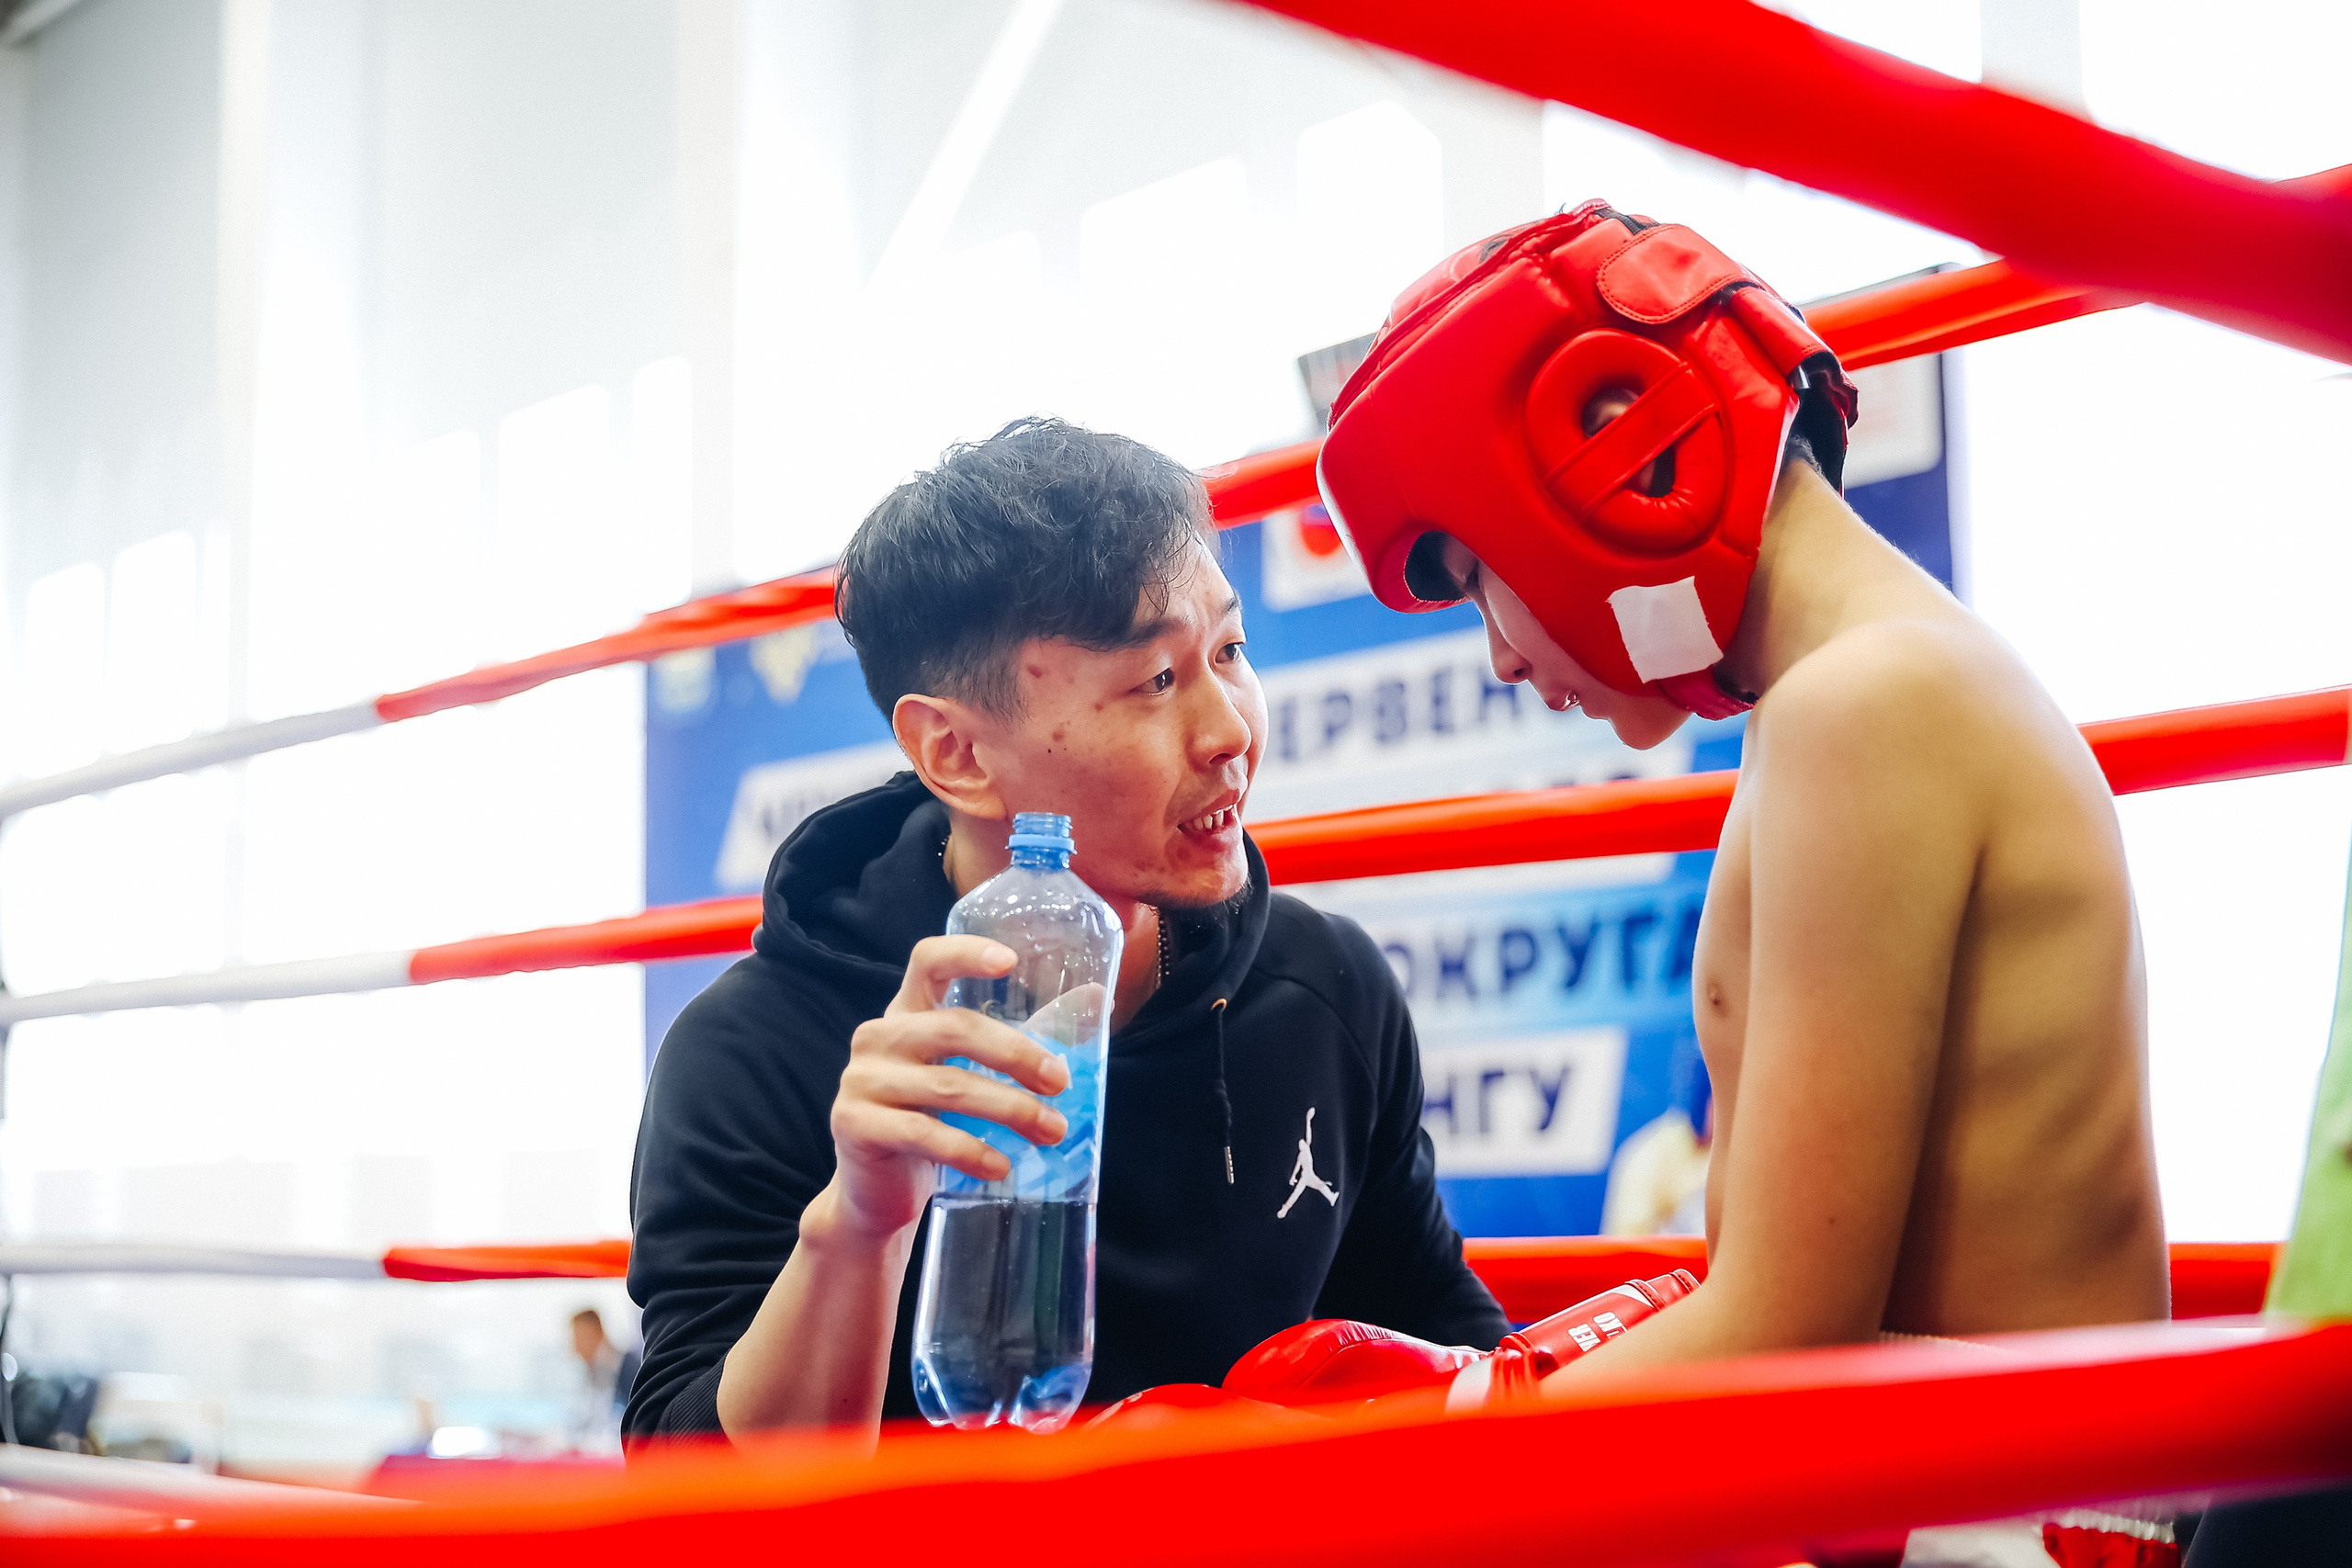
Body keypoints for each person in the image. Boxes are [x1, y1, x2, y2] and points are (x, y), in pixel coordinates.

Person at [1315, 201, 2169, 1375]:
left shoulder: (1864, 704)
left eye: (1477, 579)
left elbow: (1783, 1325)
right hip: (1970, 1456)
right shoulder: (1861, 685)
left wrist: (1433, 1438)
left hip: (1999, 1483)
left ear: (1611, 460)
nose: (1501, 657)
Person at [625, 417, 1504, 1443]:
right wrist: (858, 1225)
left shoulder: (1323, 989)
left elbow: (1453, 1354)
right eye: (1156, 681)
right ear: (955, 752)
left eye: (1230, 650)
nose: (1230, 731)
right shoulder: (754, 1051)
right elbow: (693, 1492)